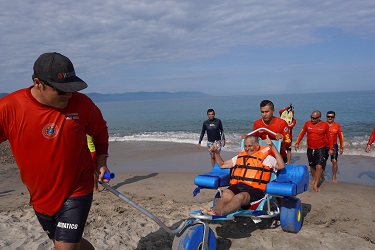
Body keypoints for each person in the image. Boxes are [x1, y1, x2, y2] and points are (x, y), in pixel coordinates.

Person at [0, 52, 111, 250]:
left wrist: (101, 161)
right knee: (67, 243)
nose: (69, 95)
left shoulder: (82, 104)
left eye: (71, 89)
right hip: (40, 197)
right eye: (61, 90)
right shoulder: (9, 108)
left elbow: (100, 131)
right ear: (38, 83)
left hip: (77, 189)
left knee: (64, 246)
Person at [200, 135, 284, 216]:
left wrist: (272, 146)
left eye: (250, 146)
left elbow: (281, 166)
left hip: (257, 189)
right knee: (226, 193)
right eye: (245, 146)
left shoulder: (267, 158)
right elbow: (222, 165)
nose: (247, 149)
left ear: (257, 145)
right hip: (240, 185)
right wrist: (216, 152)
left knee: (240, 197)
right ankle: (215, 211)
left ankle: (219, 213)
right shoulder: (240, 156)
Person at [295, 110, 334, 192]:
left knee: (319, 166)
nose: (312, 119)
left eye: (314, 118)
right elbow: (302, 133)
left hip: (320, 148)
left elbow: (330, 137)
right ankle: (314, 179)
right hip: (310, 148)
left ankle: (316, 184)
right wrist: (297, 143)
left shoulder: (324, 125)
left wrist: (331, 148)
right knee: (312, 166)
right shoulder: (307, 124)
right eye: (311, 117)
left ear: (319, 118)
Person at [326, 111, 344, 183]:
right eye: (328, 117)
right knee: (322, 162)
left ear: (334, 117)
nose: (330, 118)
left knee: (334, 161)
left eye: (331, 117)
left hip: (334, 145)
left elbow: (341, 137)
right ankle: (322, 174)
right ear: (326, 117)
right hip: (324, 145)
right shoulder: (323, 125)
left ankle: (334, 176)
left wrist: (341, 147)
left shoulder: (337, 126)